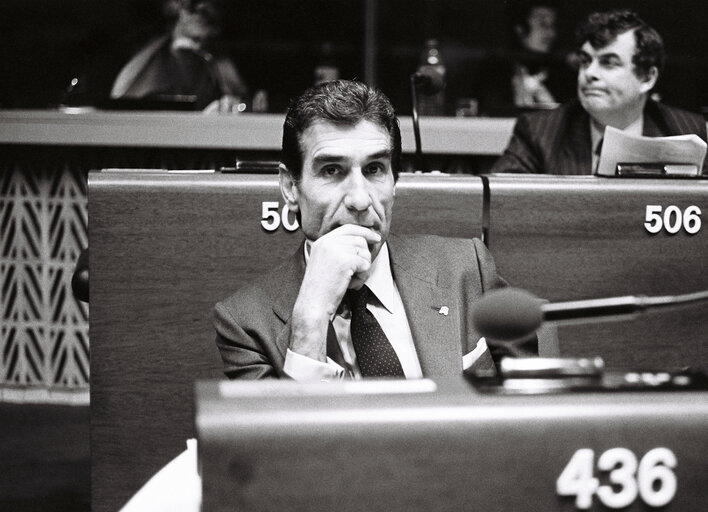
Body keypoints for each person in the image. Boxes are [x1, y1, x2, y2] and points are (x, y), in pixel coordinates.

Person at [214, 80, 535, 380]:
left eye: (374, 169)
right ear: (290, 188)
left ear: (395, 181)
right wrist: (309, 323)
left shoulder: (467, 270)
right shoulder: (246, 323)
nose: (359, 199)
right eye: (331, 171)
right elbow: (280, 440)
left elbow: (539, 418)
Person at [490, 9, 708, 174]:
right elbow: (502, 209)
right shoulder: (539, 133)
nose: (589, 73)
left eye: (609, 63)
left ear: (647, 78)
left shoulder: (686, 131)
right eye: (585, 61)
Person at [110, 0, 248, 112]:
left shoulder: (222, 63)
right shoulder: (152, 59)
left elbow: (240, 100)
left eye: (213, 5)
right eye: (192, 6)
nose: (202, 9)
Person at [475, 1, 574, 116]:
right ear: (520, 28)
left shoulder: (563, 71)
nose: (551, 33)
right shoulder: (494, 69)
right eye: (543, 24)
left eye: (552, 25)